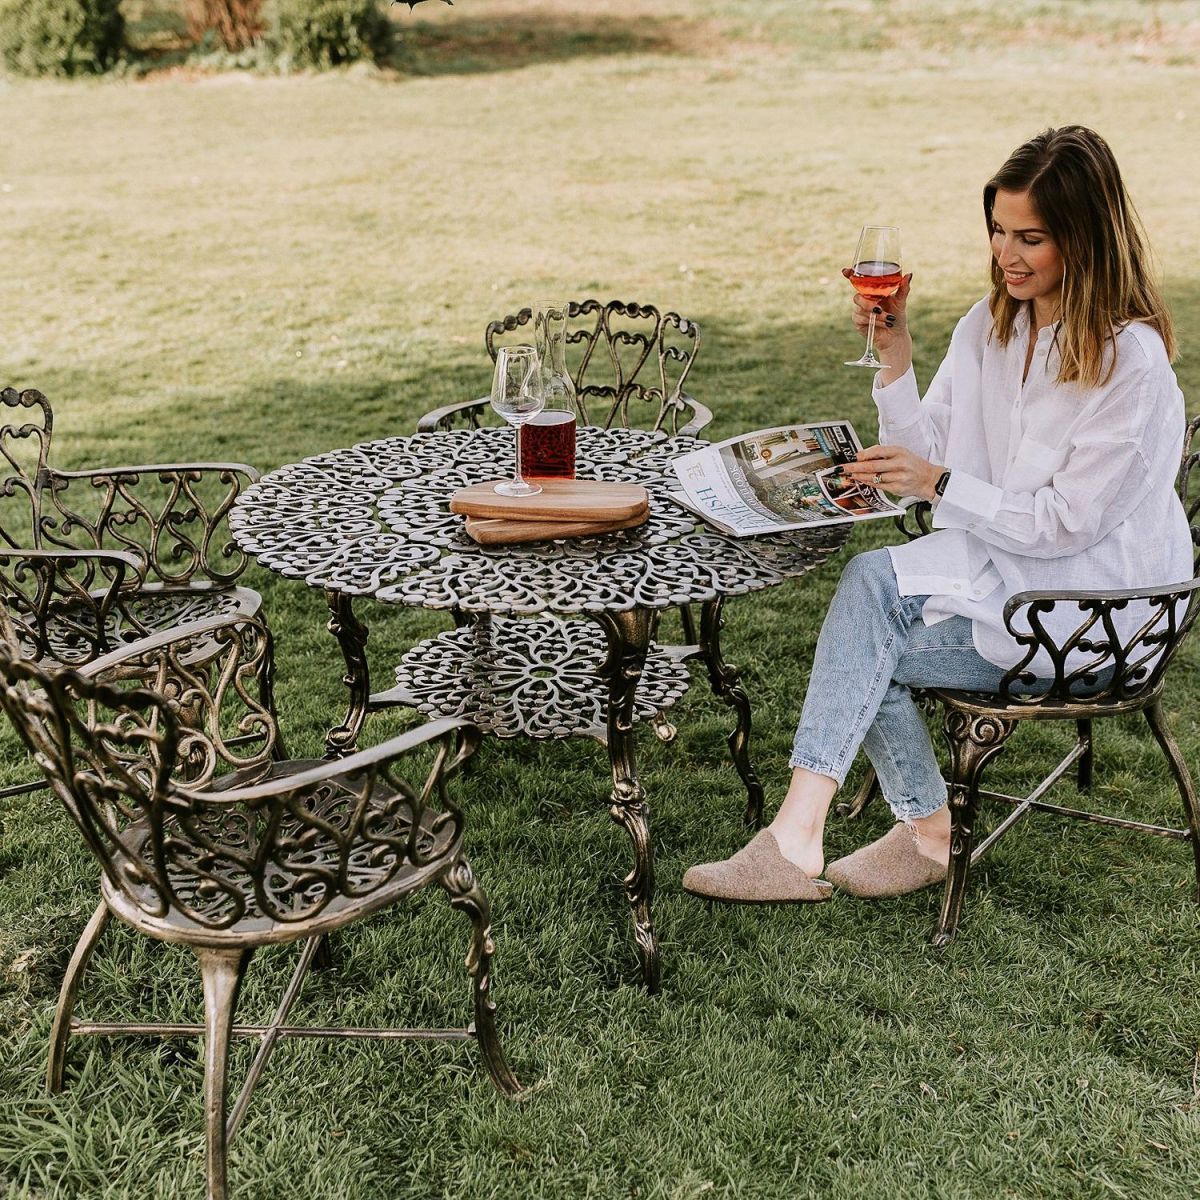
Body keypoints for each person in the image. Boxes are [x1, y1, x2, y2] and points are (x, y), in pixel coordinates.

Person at [683, 125, 1192, 904]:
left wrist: (942, 481)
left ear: (1086, 240)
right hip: (1001, 571)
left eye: (1032, 238)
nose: (1007, 256)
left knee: (868, 628)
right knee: (868, 603)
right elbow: (923, 462)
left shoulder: (1132, 365)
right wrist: (895, 360)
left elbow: (1066, 524)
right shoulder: (988, 330)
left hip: (1090, 609)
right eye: (997, 232)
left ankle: (874, 836)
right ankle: (882, 834)